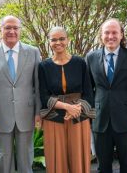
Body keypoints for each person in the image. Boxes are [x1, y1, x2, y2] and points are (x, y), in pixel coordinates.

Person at [0, 15, 41, 173]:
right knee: (4, 159)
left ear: (20, 30)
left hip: (26, 113)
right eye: (8, 27)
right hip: (0, 115)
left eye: (15, 28)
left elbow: (38, 85)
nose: (12, 31)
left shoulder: (33, 52)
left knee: (26, 158)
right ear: (0, 30)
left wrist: (38, 113)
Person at [86, 18, 127, 173]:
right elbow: (88, 90)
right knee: (103, 167)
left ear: (121, 35)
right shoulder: (91, 57)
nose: (110, 36)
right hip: (100, 121)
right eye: (107, 32)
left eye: (114, 32)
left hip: (126, 121)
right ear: (101, 35)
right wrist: (89, 117)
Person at [39, 26, 94, 173]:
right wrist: (66, 107)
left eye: (62, 38)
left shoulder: (80, 63)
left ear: (67, 40)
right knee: (57, 160)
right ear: (49, 42)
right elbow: (43, 96)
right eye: (54, 39)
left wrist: (76, 108)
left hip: (79, 116)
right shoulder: (43, 66)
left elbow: (89, 92)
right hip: (54, 117)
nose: (58, 42)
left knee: (79, 160)